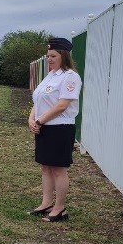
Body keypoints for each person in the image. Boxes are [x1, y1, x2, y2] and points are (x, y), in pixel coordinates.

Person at [28, 37, 82, 222]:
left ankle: (59, 208)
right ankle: (46, 203)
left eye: (53, 56)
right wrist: (31, 119)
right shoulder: (51, 75)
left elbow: (62, 105)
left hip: (60, 128)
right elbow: (38, 100)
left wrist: (39, 121)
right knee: (45, 167)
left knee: (58, 169)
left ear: (63, 55)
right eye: (48, 56)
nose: (49, 59)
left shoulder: (70, 76)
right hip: (44, 127)